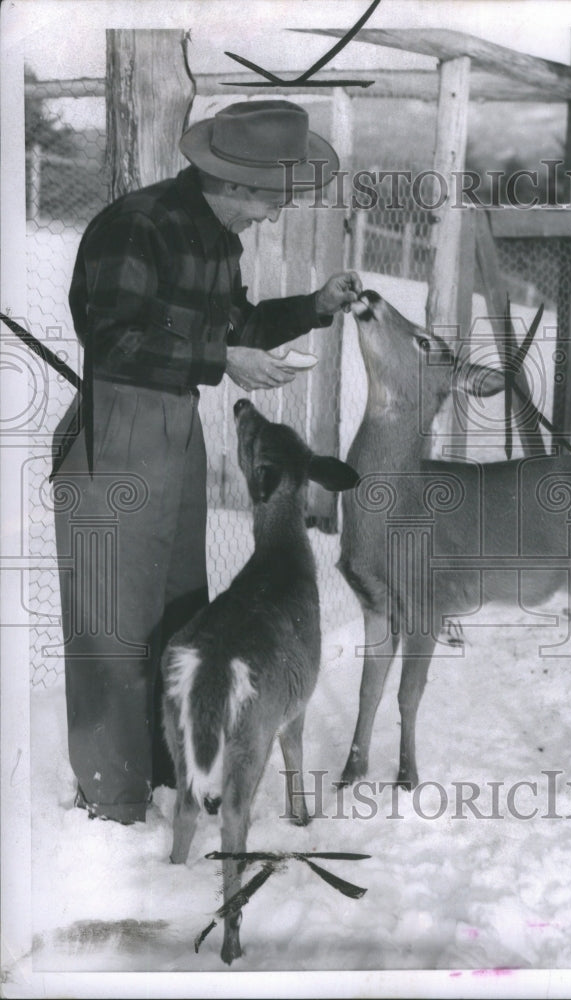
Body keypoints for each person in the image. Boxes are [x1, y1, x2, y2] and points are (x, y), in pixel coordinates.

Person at [52, 99, 362, 824]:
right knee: (110, 625)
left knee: (180, 614)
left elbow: (239, 323)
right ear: (235, 183)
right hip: (119, 425)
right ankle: (111, 802)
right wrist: (222, 357)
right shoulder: (139, 225)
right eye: (270, 202)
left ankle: (173, 774)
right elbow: (112, 340)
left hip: (176, 428)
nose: (271, 217)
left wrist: (314, 306)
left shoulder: (218, 238)